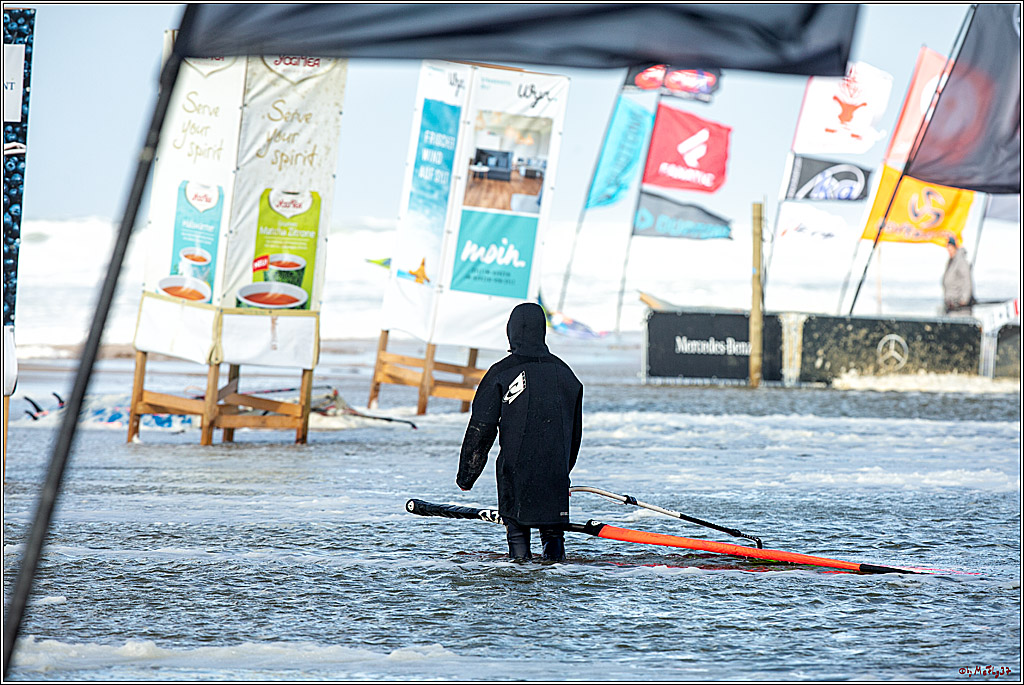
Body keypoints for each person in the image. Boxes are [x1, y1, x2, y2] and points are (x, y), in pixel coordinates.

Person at [456, 302, 583, 561]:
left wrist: (467, 476)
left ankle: (520, 590)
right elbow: (574, 434)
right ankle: (555, 595)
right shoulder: (566, 375)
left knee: (518, 547)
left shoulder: (502, 372)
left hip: (516, 472)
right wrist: (562, 471)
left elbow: (481, 429)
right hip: (554, 475)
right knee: (554, 541)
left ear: (510, 332)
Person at [942, 236, 975, 316]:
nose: (949, 251)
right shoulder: (951, 262)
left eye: (951, 248)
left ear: (955, 247)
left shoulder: (961, 262)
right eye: (948, 249)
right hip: (951, 307)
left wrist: (964, 300)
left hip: (961, 309)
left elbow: (967, 281)